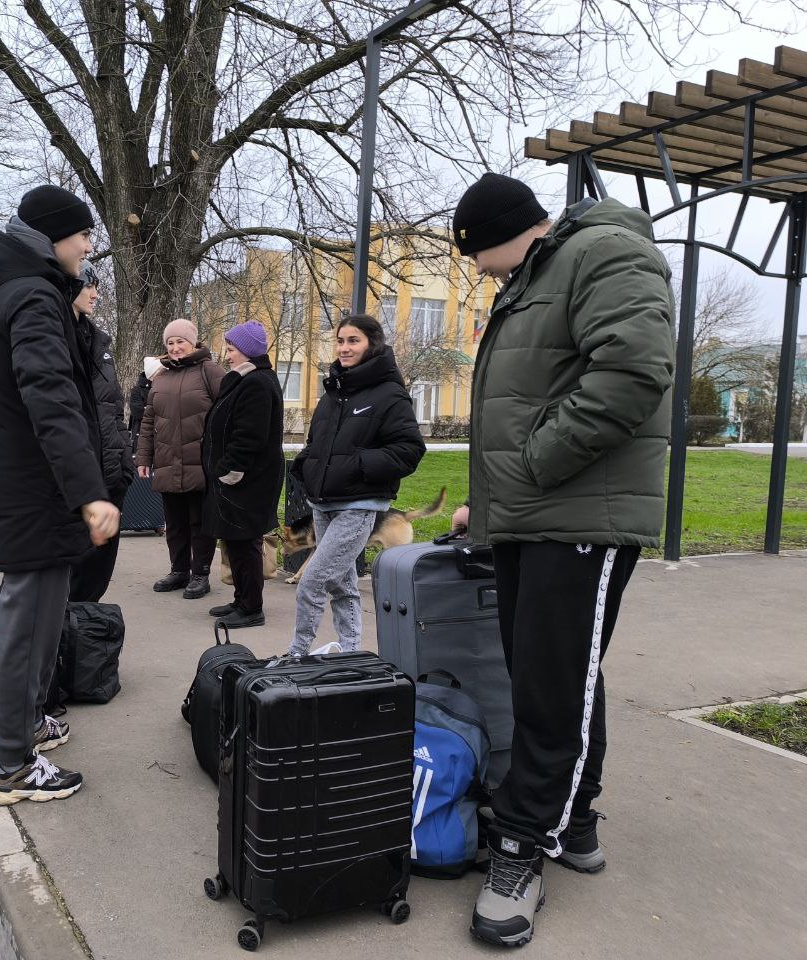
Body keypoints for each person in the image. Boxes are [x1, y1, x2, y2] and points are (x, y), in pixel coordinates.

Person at [450, 173, 674, 947]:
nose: (476, 268)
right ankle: (574, 822)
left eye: (475, 251)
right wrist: (491, 500)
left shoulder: (604, 252)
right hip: (535, 514)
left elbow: (635, 369)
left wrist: (539, 465)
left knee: (550, 682)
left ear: (504, 231)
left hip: (580, 512)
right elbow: (524, 398)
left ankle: (522, 847)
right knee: (555, 672)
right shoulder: (535, 277)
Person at [0, 184, 120, 806]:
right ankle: (10, 766)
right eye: (82, 234)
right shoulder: (32, 295)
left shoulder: (23, 292)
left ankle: (25, 728)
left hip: (27, 483)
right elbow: (50, 396)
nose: (88, 246)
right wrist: (90, 492)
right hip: (38, 488)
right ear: (53, 236)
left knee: (42, 618)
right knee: (28, 623)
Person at [288, 314, 425, 655]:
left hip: (359, 505)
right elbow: (317, 439)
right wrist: (307, 465)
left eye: (353, 341)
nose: (344, 348)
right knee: (343, 585)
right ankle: (351, 654)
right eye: (340, 340)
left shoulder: (389, 393)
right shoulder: (336, 390)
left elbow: (409, 450)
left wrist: (357, 467)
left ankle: (297, 655)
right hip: (323, 503)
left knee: (312, 583)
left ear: (372, 344)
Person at [201, 320, 284, 629]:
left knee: (245, 541)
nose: (227, 354)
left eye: (232, 348)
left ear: (247, 351)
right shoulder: (243, 379)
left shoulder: (257, 383)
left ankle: (251, 607)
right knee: (234, 541)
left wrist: (229, 472)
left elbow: (249, 436)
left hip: (247, 480)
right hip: (237, 478)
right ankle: (241, 598)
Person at [135, 318, 225, 600]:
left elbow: (226, 412)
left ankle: (201, 574)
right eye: (170, 343)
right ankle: (179, 570)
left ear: (193, 342)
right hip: (167, 459)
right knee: (174, 522)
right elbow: (148, 419)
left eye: (180, 342)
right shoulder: (161, 375)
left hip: (200, 461)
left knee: (199, 521)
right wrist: (143, 457)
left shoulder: (209, 370)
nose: (175, 348)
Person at [68, 264, 136, 602]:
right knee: (67, 571)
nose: (95, 294)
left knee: (97, 571)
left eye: (97, 286)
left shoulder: (100, 344)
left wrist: (124, 454)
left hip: (111, 474)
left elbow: (113, 407)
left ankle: (82, 641)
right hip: (76, 475)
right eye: (88, 286)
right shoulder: (54, 338)